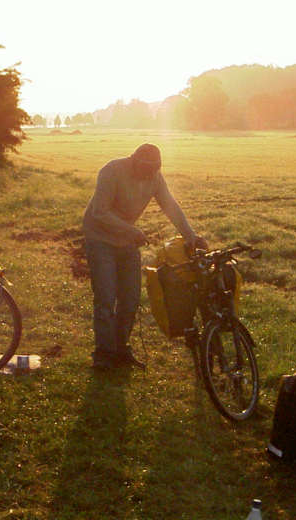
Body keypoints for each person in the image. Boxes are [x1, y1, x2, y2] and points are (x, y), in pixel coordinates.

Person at [81, 143, 206, 370]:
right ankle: (103, 354)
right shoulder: (112, 171)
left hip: (127, 241)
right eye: (145, 169)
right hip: (100, 240)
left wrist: (191, 236)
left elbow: (170, 206)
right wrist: (132, 231)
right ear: (134, 161)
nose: (149, 175)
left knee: (130, 299)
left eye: (154, 170)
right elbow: (99, 211)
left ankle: (121, 349)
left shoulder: (154, 177)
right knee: (106, 298)